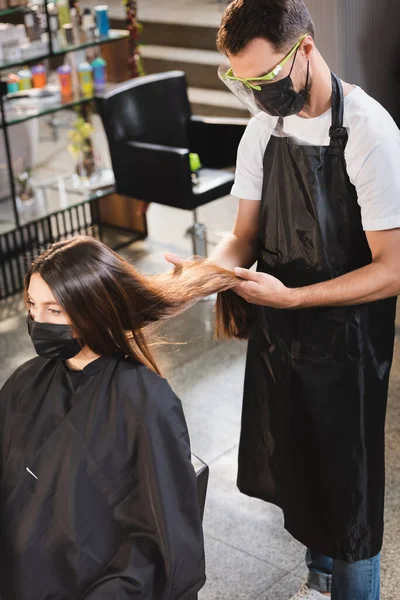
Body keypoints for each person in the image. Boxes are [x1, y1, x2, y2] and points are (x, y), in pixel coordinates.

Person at [165, 1, 400, 599]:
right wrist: (198, 277)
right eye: (244, 84)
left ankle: (353, 589)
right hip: (281, 336)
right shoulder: (262, 130)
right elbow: (243, 236)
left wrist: (294, 298)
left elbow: (392, 269)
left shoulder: (369, 133)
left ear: (307, 52)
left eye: (267, 81)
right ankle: (318, 584)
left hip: (347, 345)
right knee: (299, 465)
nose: (259, 96)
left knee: (350, 494)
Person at [0, 235, 240, 599]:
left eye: (55, 310)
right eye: (33, 306)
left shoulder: (144, 401)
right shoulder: (28, 380)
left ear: (92, 309)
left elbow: (160, 542)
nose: (37, 321)